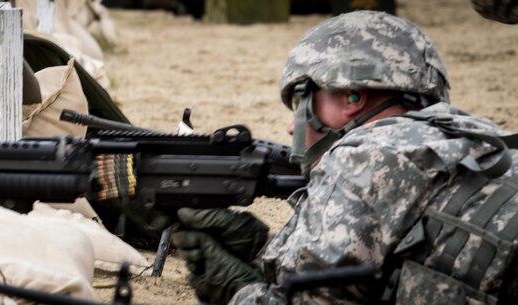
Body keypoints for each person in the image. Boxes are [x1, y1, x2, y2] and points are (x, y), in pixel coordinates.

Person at [170, 10, 518, 305]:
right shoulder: (480, 141)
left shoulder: (365, 155)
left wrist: (238, 289)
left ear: (353, 97)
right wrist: (261, 250)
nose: (293, 126)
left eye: (301, 102)